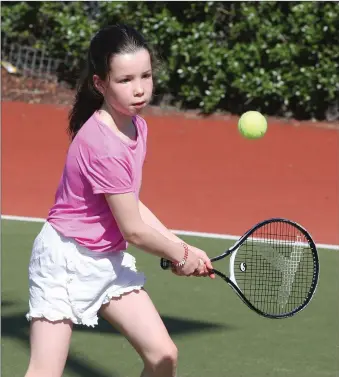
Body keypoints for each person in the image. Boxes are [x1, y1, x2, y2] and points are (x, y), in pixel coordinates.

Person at [24, 24, 215, 377]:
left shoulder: (136, 126)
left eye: (146, 76)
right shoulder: (103, 144)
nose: (140, 89)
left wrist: (181, 246)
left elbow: (132, 206)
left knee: (163, 357)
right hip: (64, 261)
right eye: (125, 80)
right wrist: (180, 254)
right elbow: (134, 230)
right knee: (44, 372)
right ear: (100, 84)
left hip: (105, 260)